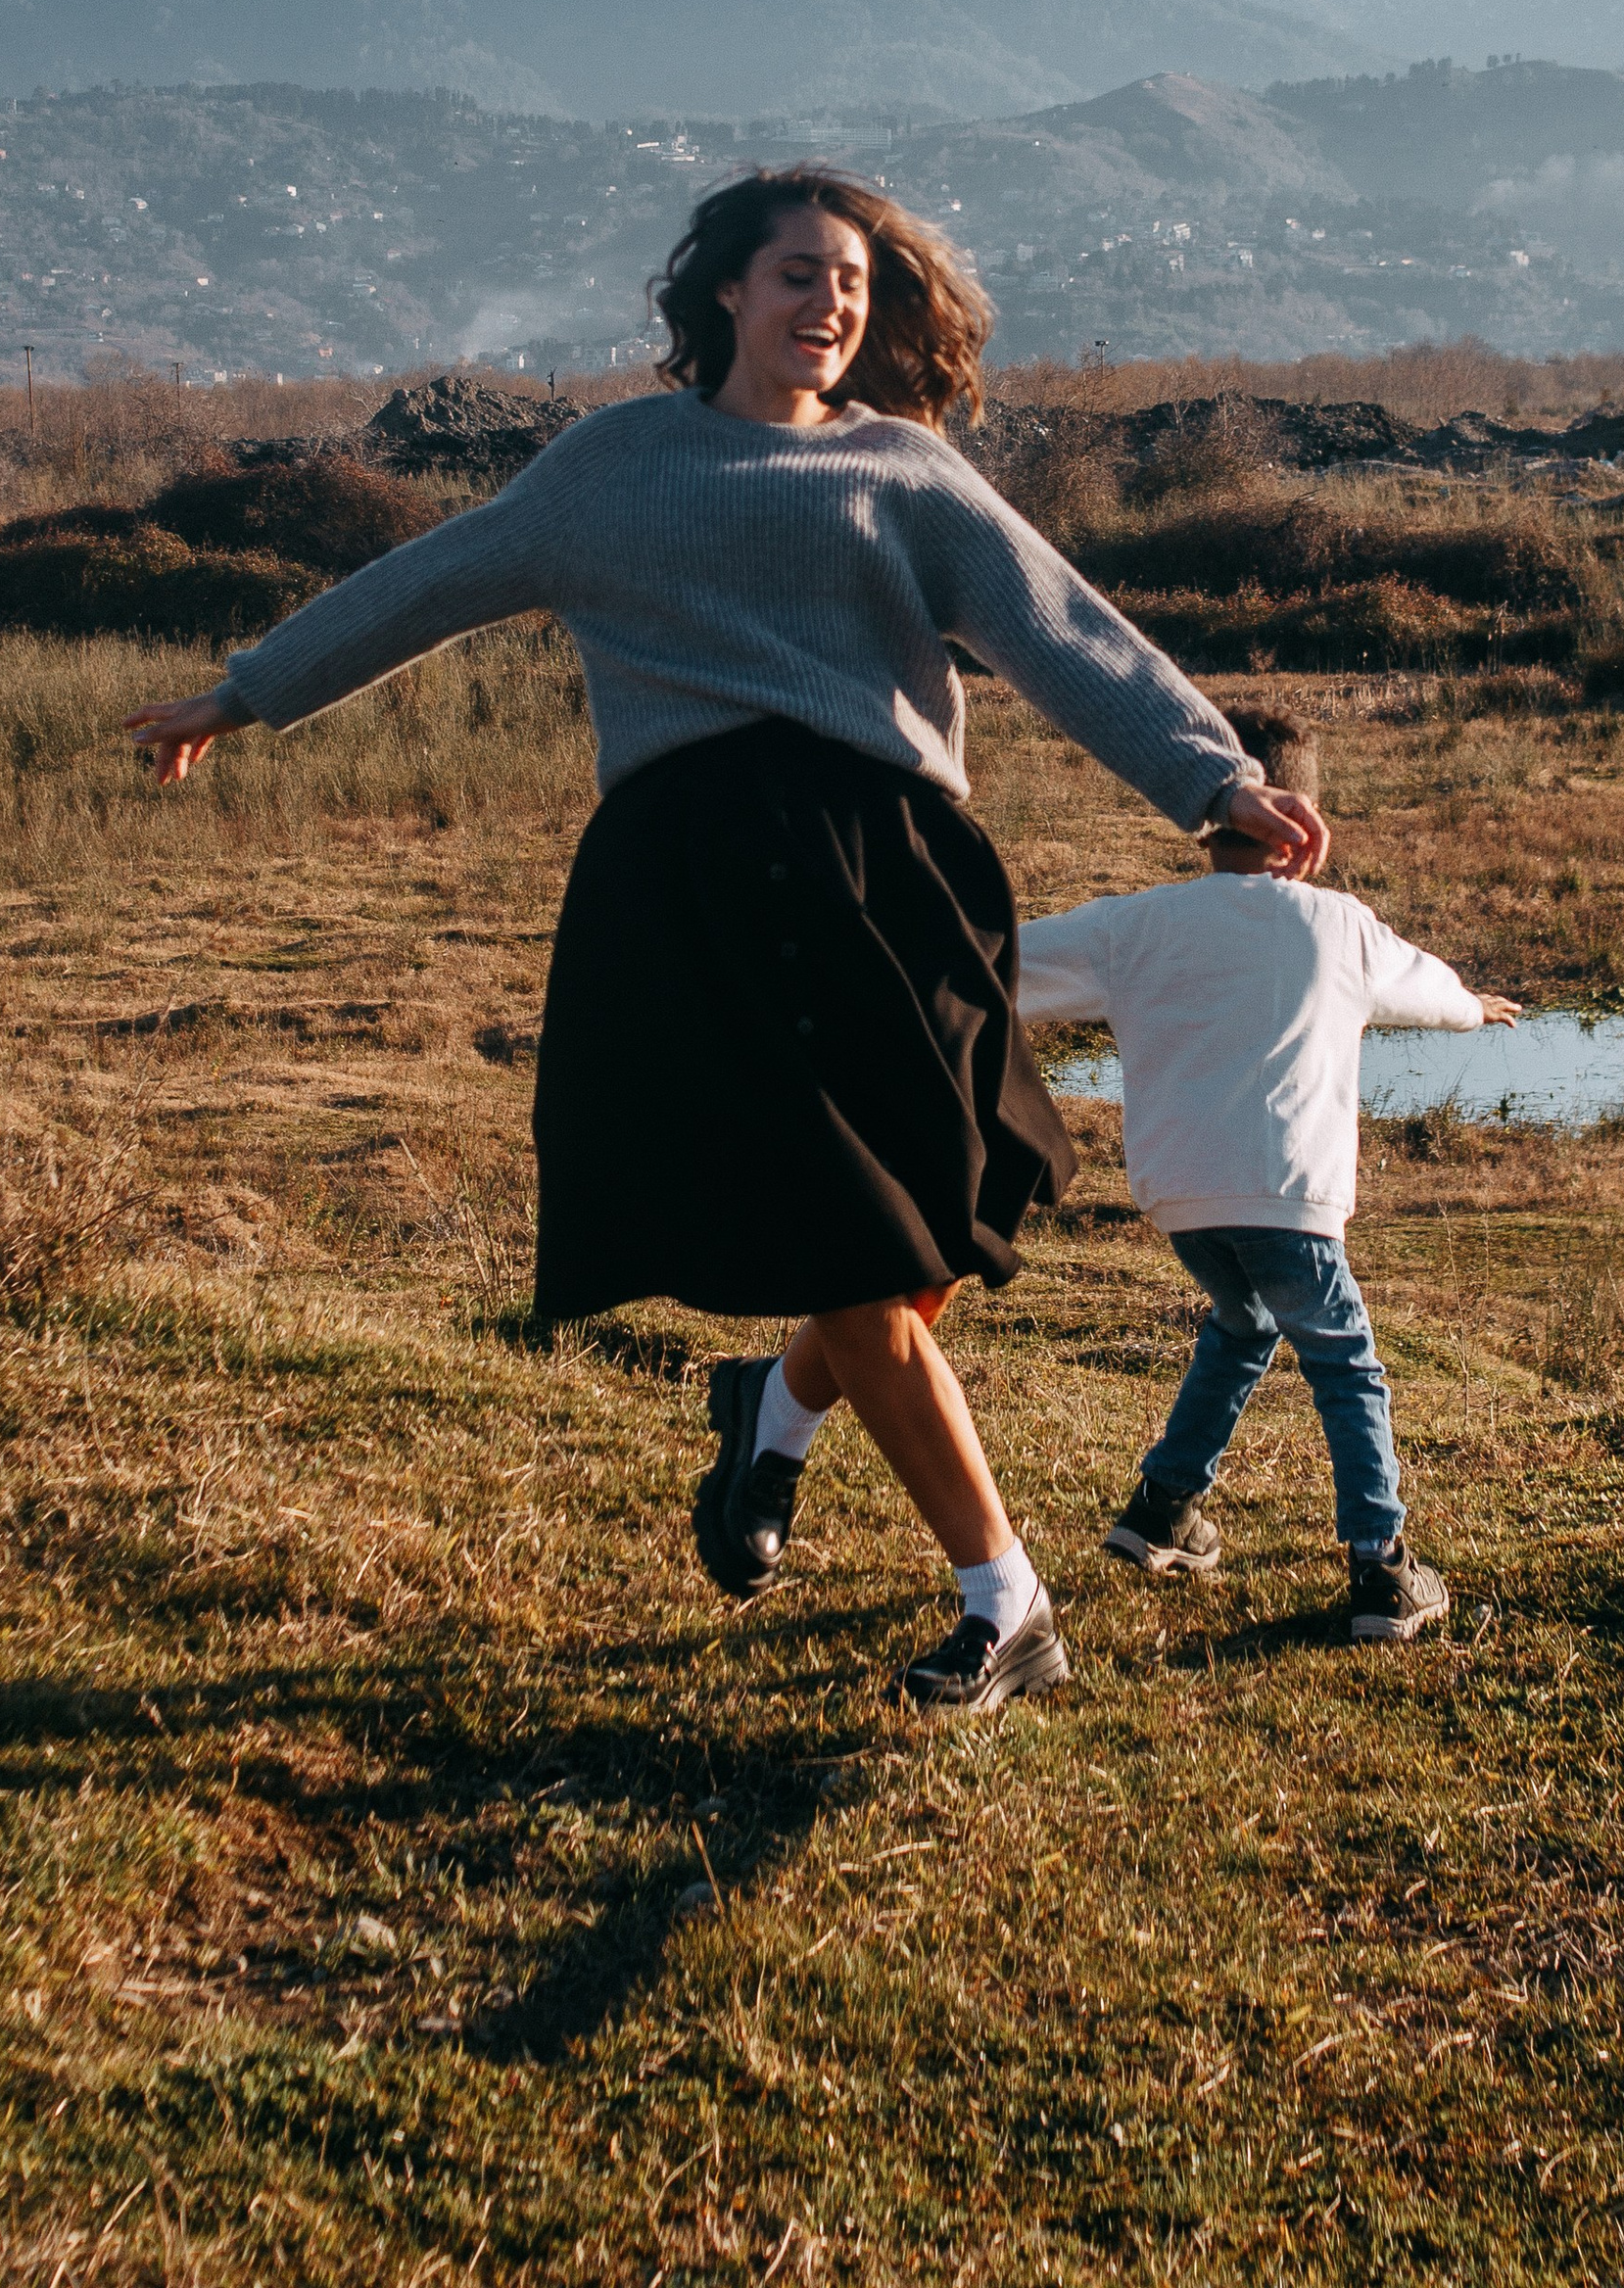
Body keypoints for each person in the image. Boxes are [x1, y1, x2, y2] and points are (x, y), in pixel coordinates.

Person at [125, 171, 1327, 1718]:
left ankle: (770, 1410)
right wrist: (251, 686)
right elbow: (431, 580)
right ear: (721, 295)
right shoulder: (615, 464)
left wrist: (1210, 766)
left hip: (894, 876)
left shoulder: (906, 468)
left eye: (852, 281)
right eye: (796, 274)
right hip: (700, 881)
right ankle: (1003, 1595)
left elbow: (1060, 623)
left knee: (937, 1224)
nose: (828, 301)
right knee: (852, 1242)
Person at [1013, 709, 1517, 1647]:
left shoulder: (1134, 925)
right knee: (1345, 1362)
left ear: (1206, 815)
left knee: (1241, 1322)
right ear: (1303, 819)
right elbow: (1423, 984)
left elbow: (1002, 959)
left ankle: (1164, 1510)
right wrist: (1471, 1007)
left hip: (1181, 1202)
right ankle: (1382, 1570)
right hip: (1288, 1195)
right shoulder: (1339, 927)